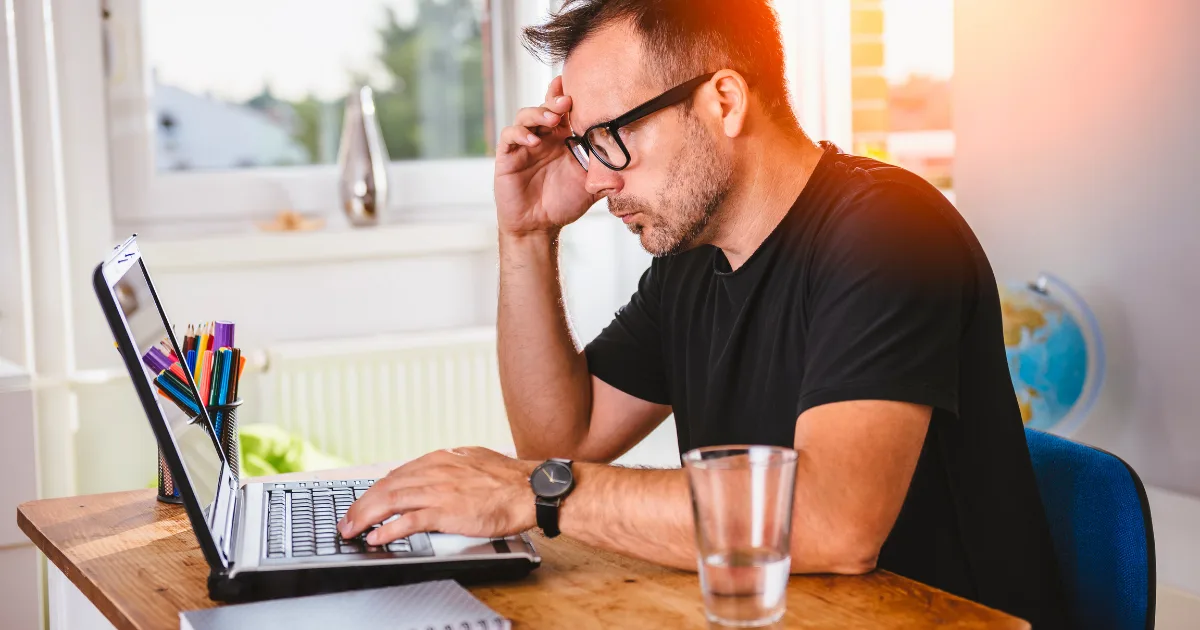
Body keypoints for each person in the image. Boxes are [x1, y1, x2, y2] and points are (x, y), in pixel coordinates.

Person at [341, 0, 1069, 625]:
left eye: (611, 138)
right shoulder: (693, 262)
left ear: (724, 99)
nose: (595, 180)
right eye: (583, 145)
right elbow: (560, 437)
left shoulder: (889, 231)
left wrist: (530, 494)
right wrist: (527, 234)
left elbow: (834, 523)